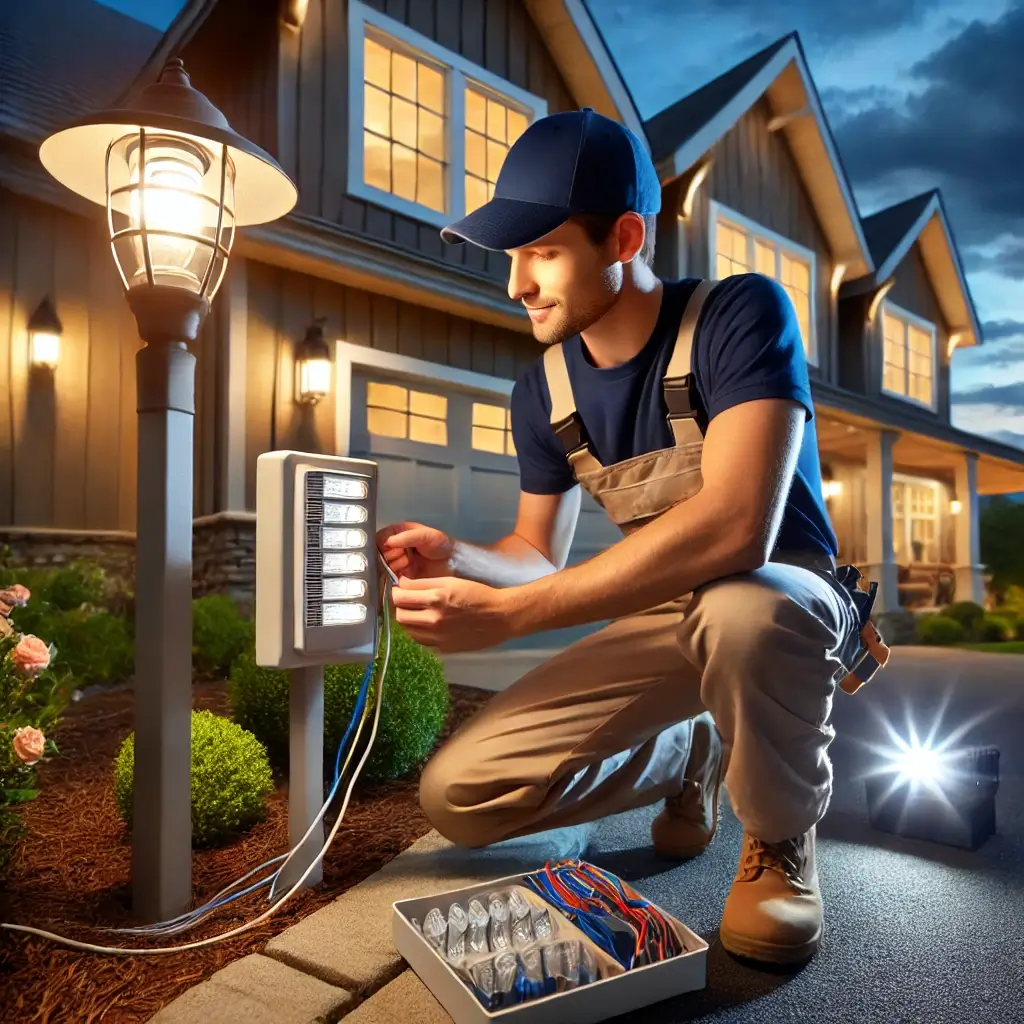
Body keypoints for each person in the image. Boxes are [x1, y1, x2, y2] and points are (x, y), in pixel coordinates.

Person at [378, 107, 883, 966]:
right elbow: (536, 549)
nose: (518, 285)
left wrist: (511, 618)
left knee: (743, 613)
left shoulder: (739, 315)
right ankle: (689, 750)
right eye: (512, 257)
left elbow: (736, 527)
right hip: (666, 617)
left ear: (623, 236)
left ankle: (779, 841)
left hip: (784, 597)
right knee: (458, 795)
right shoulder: (541, 390)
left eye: (542, 252)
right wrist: (459, 556)